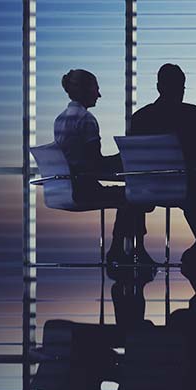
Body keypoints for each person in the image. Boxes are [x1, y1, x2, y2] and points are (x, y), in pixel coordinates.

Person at [130, 64, 196, 271]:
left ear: (158, 87)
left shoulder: (140, 118)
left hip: (150, 190)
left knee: (193, 196)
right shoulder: (189, 114)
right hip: (189, 188)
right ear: (181, 88)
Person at [54, 69, 152, 266]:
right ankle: (126, 250)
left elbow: (81, 159)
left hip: (66, 187)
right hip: (84, 188)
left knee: (133, 196)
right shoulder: (86, 120)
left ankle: (127, 250)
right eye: (95, 88)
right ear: (84, 90)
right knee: (136, 196)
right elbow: (95, 163)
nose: (99, 94)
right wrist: (123, 158)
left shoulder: (61, 119)